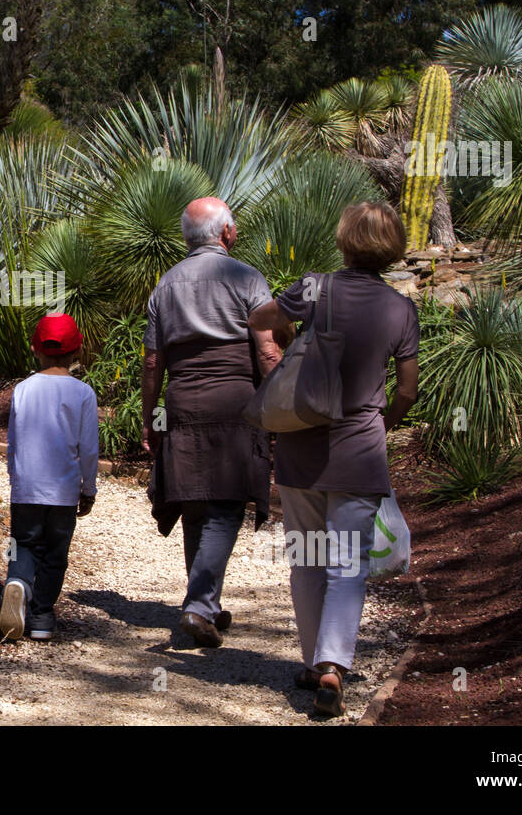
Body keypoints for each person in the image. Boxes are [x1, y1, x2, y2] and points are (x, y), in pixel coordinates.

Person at [247, 201, 419, 716]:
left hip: (302, 448)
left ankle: (311, 663)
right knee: (348, 566)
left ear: (344, 239)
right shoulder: (400, 310)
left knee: (307, 559)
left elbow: (260, 317)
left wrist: (283, 331)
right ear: (393, 249)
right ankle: (332, 666)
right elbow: (408, 389)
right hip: (360, 452)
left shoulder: (315, 289)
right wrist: (381, 424)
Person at [142, 197, 281, 649]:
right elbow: (266, 351)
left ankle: (205, 602)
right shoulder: (247, 278)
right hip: (235, 402)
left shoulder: (165, 285)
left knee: (195, 501)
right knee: (225, 505)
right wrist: (282, 405)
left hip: (182, 400)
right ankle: (199, 605)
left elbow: (152, 361)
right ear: (224, 234)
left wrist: (150, 416)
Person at [0, 313, 99, 642]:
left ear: (34, 349)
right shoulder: (83, 393)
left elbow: (13, 441)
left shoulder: (22, 390)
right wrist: (89, 488)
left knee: (22, 544)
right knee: (55, 553)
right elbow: (88, 448)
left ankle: (17, 582)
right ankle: (41, 615)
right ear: (77, 352)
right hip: (63, 491)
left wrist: (15, 478)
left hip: (26, 487)